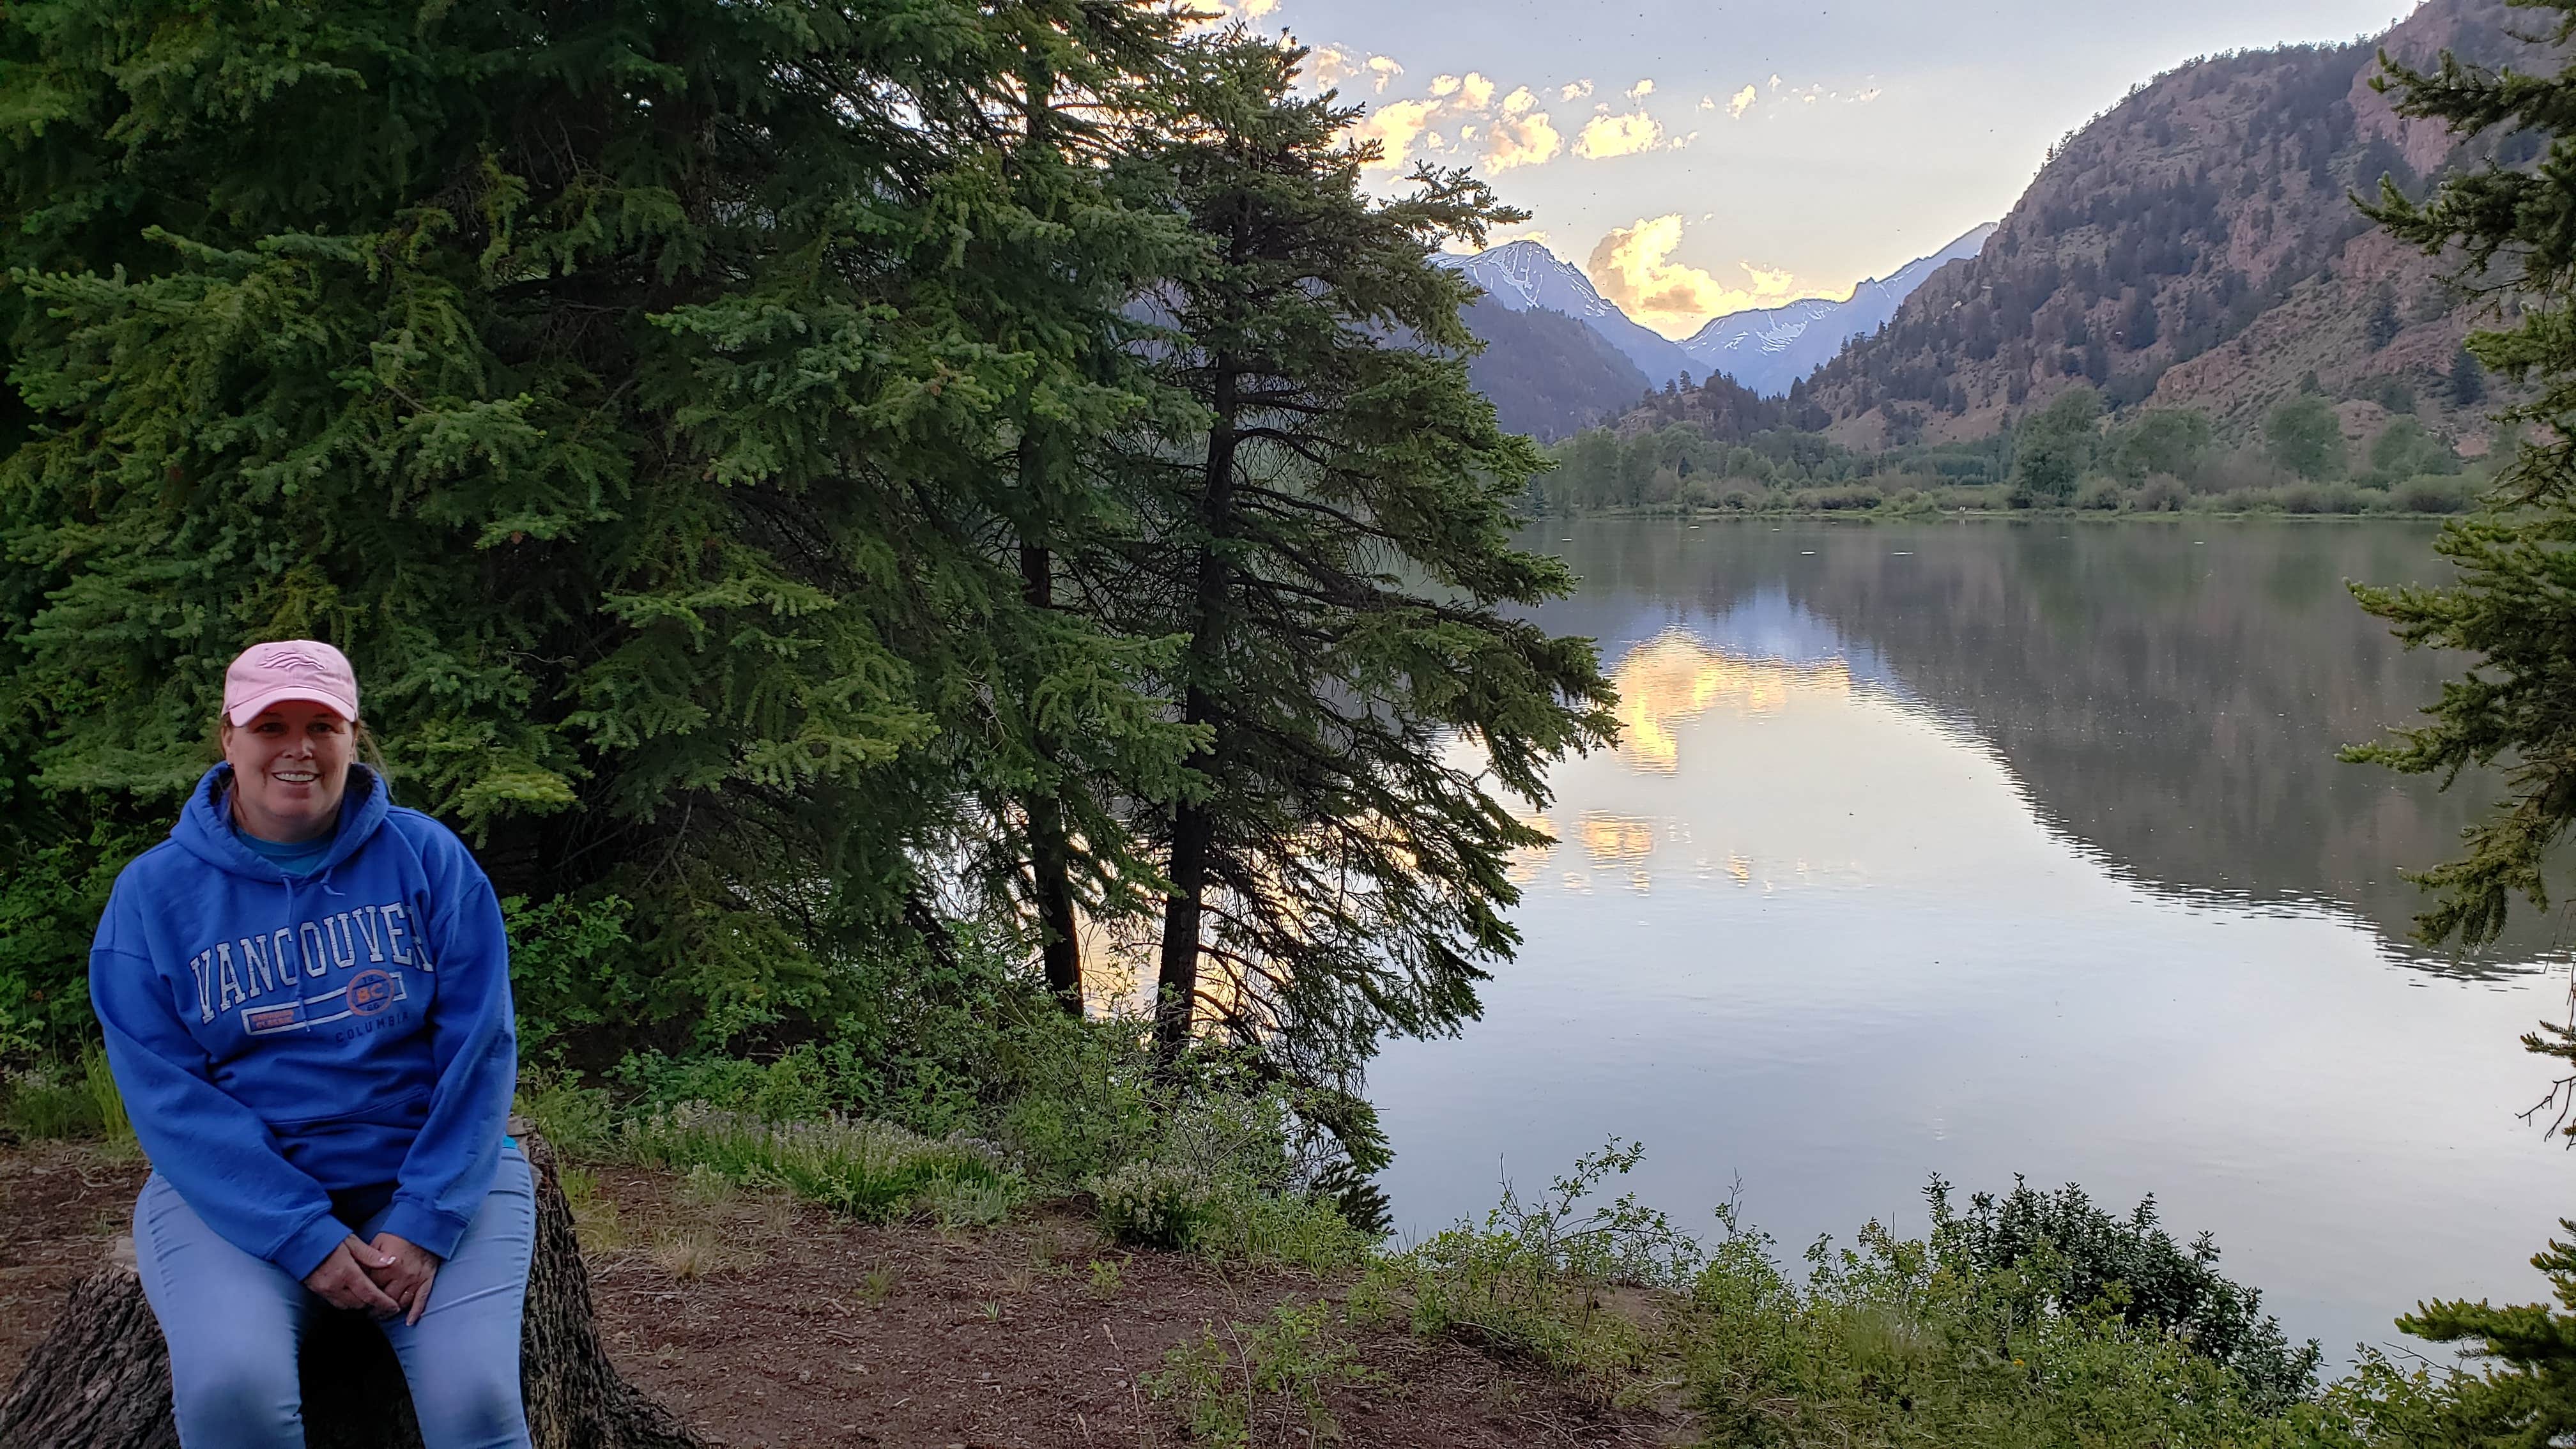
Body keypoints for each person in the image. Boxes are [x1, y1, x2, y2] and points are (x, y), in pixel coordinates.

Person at [90, 640, 528, 1449]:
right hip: (235, 1195)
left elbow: (480, 1049)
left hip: (431, 1176)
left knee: (476, 1407)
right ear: (228, 738)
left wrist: (427, 1219)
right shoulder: (152, 896)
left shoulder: (428, 859)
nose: (298, 749)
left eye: (322, 725)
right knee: (235, 1394)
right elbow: (167, 1095)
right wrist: (302, 1235)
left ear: (353, 737)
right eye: (271, 726)